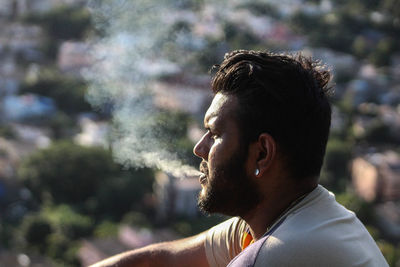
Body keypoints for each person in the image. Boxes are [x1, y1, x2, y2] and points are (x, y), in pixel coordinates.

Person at [91, 50, 388, 267]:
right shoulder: (301, 216)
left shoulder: (274, 255)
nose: (199, 148)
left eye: (214, 133)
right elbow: (159, 261)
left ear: (261, 153)